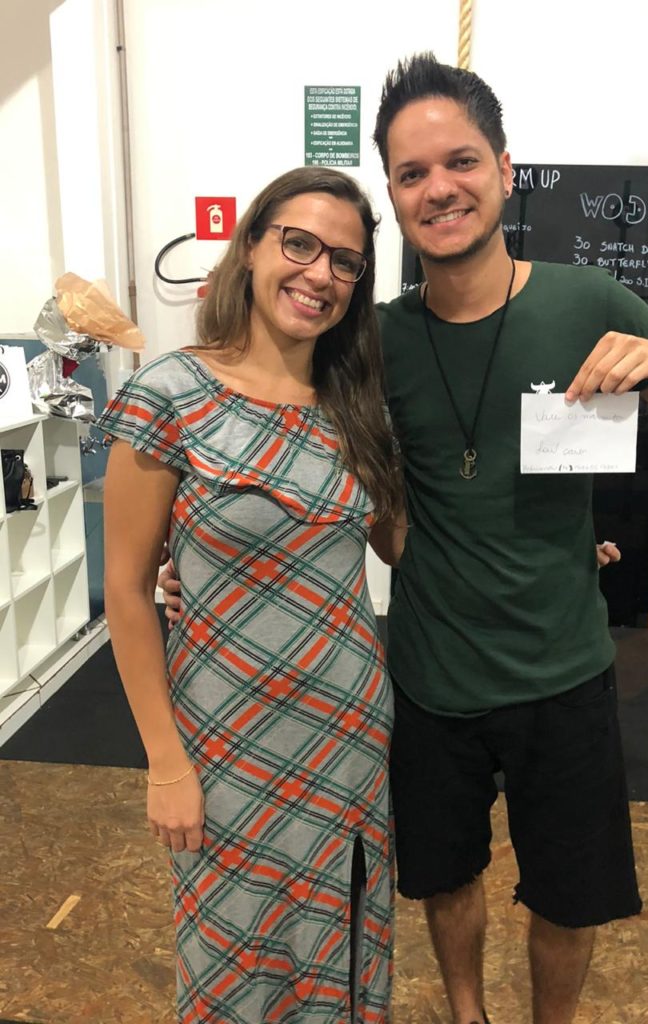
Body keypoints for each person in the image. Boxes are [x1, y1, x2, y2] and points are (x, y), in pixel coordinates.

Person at [163, 56, 648, 1024]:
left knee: (570, 895)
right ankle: (468, 1013)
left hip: (564, 669)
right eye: (412, 172)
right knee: (446, 875)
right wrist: (206, 563)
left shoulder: (588, 301)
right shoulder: (373, 338)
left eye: (461, 161)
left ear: (505, 170)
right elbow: (284, 444)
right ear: (394, 196)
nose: (439, 187)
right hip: (430, 675)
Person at [99, 167, 402, 1024]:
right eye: (299, 244)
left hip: (348, 739)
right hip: (226, 741)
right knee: (232, 965)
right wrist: (165, 763)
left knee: (339, 958)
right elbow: (126, 590)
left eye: (344, 261)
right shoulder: (171, 394)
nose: (319, 274)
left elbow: (400, 545)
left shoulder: (355, 407)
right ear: (252, 247)